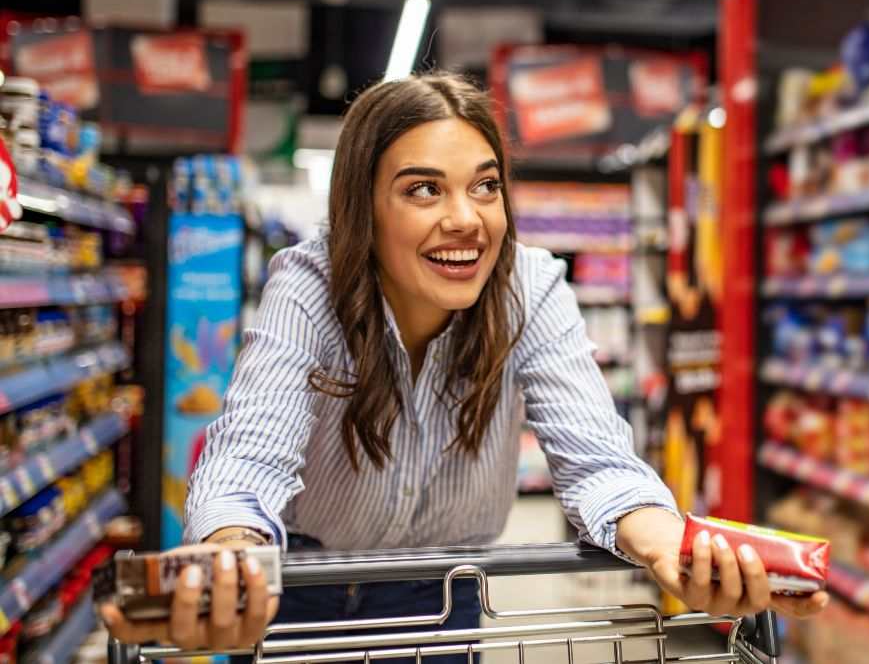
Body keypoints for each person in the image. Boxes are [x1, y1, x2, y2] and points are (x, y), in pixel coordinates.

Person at [101, 72, 828, 655]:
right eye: (424, 189)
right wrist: (231, 558)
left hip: (446, 590)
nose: (466, 218)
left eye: (484, 185)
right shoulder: (311, 284)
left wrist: (668, 542)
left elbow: (598, 461)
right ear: (365, 208)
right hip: (305, 591)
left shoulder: (530, 287)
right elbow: (248, 456)